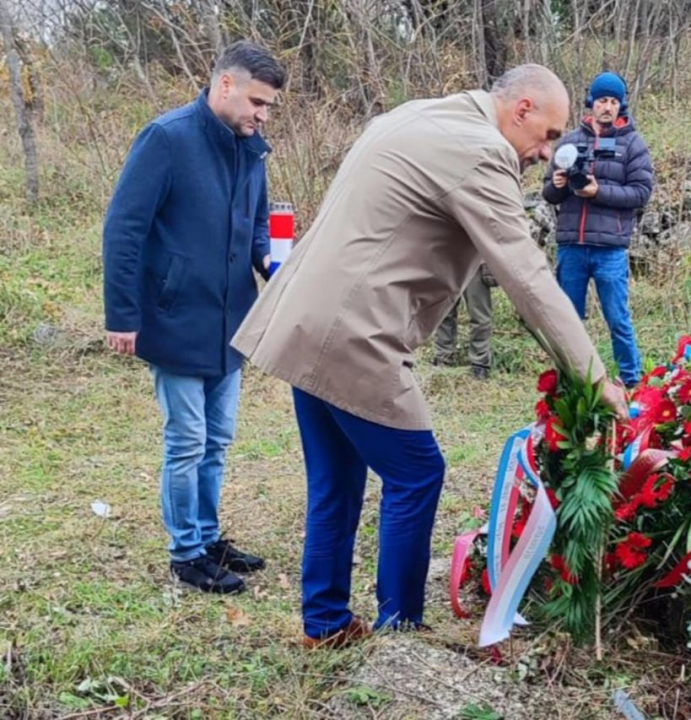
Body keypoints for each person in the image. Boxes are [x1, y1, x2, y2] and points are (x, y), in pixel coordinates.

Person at [231, 64, 628, 647]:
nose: (549, 154)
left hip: (306, 316)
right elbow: (526, 277)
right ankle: (401, 631)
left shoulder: (418, 114)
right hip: (355, 335)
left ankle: (325, 623)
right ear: (520, 109)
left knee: (336, 483)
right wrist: (594, 378)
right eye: (547, 136)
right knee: (417, 473)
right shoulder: (480, 150)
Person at [102, 41, 285, 595]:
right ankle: (186, 554)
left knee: (218, 439)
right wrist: (122, 315)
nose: (263, 114)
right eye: (258, 101)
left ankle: (207, 536)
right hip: (175, 315)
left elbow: (257, 226)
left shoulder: (250, 148)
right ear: (224, 85)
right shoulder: (167, 138)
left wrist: (273, 265)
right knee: (186, 439)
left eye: (270, 106)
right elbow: (124, 229)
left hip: (231, 320)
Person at [542, 71, 654, 388]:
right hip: (572, 245)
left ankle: (631, 380)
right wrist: (558, 184)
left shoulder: (633, 145)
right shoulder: (570, 142)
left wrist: (598, 192)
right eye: (602, 100)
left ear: (621, 106)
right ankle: (569, 380)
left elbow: (641, 194)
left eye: (613, 101)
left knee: (618, 319)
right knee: (567, 321)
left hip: (610, 250)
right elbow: (549, 195)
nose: (607, 106)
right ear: (591, 103)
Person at [433, 265, 496, 380]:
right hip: (446, 261)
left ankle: (480, 364)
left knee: (480, 316)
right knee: (444, 314)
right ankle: (443, 358)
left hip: (475, 264)